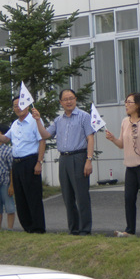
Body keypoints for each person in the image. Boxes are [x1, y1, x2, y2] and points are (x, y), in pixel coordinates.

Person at [35, 89, 95, 236]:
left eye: (71, 98)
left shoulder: (84, 116)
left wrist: (89, 160)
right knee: (67, 196)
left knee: (81, 196)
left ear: (76, 99)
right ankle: (73, 229)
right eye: (65, 99)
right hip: (64, 159)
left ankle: (85, 229)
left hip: (79, 157)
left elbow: (90, 138)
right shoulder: (58, 120)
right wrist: (37, 120)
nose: (69, 101)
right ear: (61, 102)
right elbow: (46, 135)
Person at [0, 96, 47, 234]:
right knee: (20, 197)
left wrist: (39, 162)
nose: (18, 108)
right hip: (17, 163)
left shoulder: (35, 121)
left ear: (27, 106)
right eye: (15, 106)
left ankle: (38, 228)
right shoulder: (15, 124)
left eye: (21, 104)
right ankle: (27, 227)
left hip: (31, 161)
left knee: (33, 196)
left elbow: (42, 141)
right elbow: (5, 139)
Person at [105, 92, 140, 238]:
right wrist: (113, 139)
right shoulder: (124, 122)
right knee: (129, 198)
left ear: (138, 104)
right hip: (130, 167)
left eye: (129, 102)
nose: (126, 104)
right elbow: (121, 144)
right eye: (125, 102)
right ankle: (130, 230)